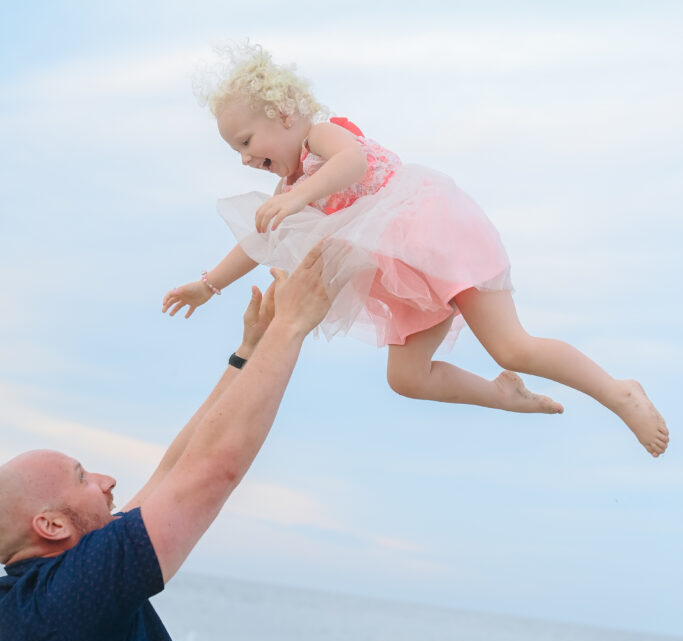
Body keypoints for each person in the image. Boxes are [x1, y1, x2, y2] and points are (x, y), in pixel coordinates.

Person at [162, 43, 668, 459]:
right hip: (401, 275)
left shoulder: (321, 136)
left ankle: (618, 391)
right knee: (406, 379)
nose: (246, 158)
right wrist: (208, 285)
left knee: (512, 345)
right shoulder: (291, 187)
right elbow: (259, 239)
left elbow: (353, 164)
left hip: (433, 235)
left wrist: (298, 196)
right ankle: (501, 395)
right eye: (237, 151)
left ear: (285, 114)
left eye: (247, 141)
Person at [0, 247, 331, 641]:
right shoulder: (70, 602)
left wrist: (247, 354)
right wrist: (293, 326)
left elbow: (174, 471)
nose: (108, 480)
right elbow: (210, 472)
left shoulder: (39, 596)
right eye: (83, 476)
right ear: (51, 523)